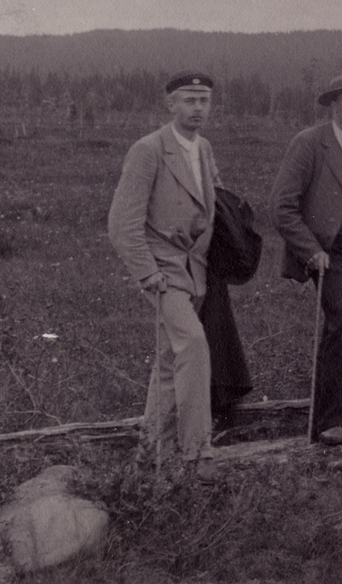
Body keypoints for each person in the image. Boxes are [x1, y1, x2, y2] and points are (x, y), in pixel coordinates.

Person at [107, 70, 221, 475]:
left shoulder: (203, 148)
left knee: (171, 362)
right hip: (163, 271)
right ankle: (197, 452)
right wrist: (146, 272)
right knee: (192, 343)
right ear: (170, 104)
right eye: (188, 100)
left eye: (204, 100)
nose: (197, 108)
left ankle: (149, 452)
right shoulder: (148, 150)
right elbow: (121, 223)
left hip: (195, 271)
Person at [270, 72, 342, 445]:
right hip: (326, 254)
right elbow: (282, 206)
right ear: (334, 105)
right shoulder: (309, 143)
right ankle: (329, 422)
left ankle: (336, 417)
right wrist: (311, 249)